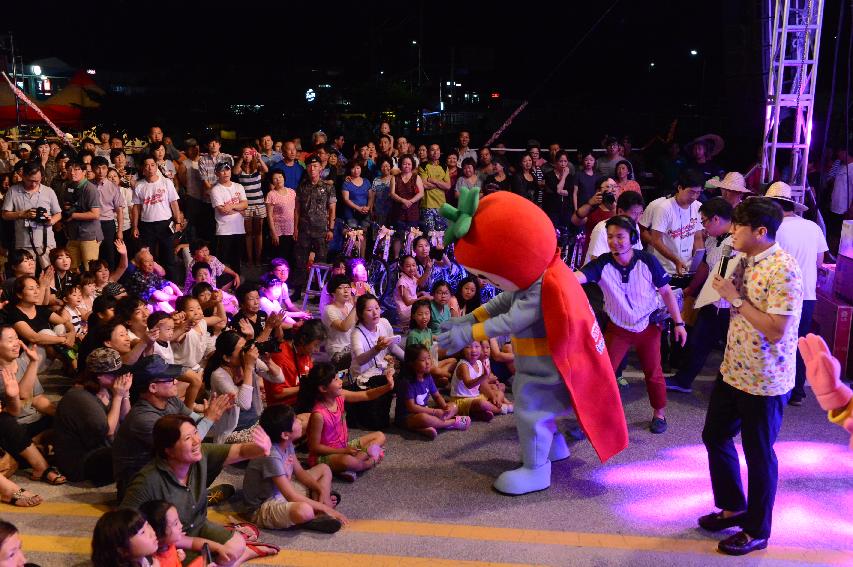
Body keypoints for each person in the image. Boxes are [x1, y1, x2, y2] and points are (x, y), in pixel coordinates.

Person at [700, 197, 802, 556]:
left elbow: (776, 329)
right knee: (714, 436)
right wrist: (723, 284)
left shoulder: (784, 269)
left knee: (758, 453)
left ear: (761, 231)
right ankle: (733, 506)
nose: (731, 231)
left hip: (766, 378)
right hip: (733, 369)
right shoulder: (739, 256)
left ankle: (757, 529)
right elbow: (719, 295)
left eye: (738, 227)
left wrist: (736, 298)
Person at [575, 216, 687, 433]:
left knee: (653, 373)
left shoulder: (647, 260)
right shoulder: (602, 263)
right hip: (618, 328)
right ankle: (589, 420)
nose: (614, 241)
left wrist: (679, 323)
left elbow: (666, 292)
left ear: (633, 237)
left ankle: (659, 414)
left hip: (648, 326)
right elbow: (577, 278)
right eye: (610, 237)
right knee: (603, 373)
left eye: (620, 236)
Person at [120, 415, 281, 563]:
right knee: (218, 557)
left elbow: (239, 450)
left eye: (196, 433)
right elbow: (122, 526)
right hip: (167, 542)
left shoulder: (202, 453)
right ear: (168, 450)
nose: (197, 441)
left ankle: (241, 553)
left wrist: (261, 448)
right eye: (188, 438)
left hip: (199, 526)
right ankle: (247, 554)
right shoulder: (147, 481)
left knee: (236, 546)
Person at [112, 355, 232, 500]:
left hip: (161, 470)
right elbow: (185, 444)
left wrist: (211, 414)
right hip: (137, 488)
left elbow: (194, 422)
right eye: (169, 379)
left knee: (214, 456)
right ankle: (191, 500)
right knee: (196, 453)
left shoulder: (170, 401)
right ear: (153, 387)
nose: (176, 381)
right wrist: (209, 419)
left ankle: (191, 497)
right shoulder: (144, 418)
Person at [766, 182, 828, 406]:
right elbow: (819, 261)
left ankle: (776, 389)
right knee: (799, 342)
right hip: (808, 295)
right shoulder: (813, 227)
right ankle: (797, 391)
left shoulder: (774, 229)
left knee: (777, 341)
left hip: (780, 296)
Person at [242, 404, 347, 533]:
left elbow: (301, 473)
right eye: (296, 420)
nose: (300, 421)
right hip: (262, 507)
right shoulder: (271, 455)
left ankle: (319, 508)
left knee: (324, 469)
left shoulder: (287, 443)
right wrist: (327, 508)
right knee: (304, 510)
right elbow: (291, 495)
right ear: (285, 435)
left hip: (281, 492)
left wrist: (321, 491)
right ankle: (313, 514)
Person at [667, 198, 735, 393]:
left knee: (730, 348)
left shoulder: (734, 241)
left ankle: (732, 388)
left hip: (728, 306)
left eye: (704, 220)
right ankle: (683, 380)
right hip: (711, 301)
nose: (702, 225)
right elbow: (705, 266)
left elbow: (723, 273)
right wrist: (692, 290)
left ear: (715, 219)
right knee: (699, 340)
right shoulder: (713, 239)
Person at [299, 362, 390, 482]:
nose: (340, 381)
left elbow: (367, 394)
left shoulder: (340, 396)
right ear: (323, 388)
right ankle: (367, 462)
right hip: (322, 457)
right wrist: (342, 452)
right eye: (336, 379)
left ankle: (351, 466)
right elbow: (314, 447)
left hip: (343, 447)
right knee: (347, 460)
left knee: (380, 436)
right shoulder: (319, 415)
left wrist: (387, 387)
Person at [53, 348, 132, 485]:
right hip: (82, 461)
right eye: (114, 374)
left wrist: (125, 395)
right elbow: (108, 431)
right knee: (130, 453)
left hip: (104, 449)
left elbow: (127, 419)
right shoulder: (80, 397)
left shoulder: (108, 388)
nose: (119, 377)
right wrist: (118, 396)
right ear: (99, 376)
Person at [204, 330, 283, 443]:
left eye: (246, 346)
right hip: (233, 432)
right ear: (227, 357)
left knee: (290, 426)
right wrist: (249, 368)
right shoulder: (218, 375)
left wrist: (268, 361)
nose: (246, 352)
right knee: (273, 440)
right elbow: (244, 404)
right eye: (242, 350)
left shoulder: (247, 362)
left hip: (255, 422)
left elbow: (279, 379)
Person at [395, 344, 469, 438]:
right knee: (424, 418)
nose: (428, 362)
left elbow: (437, 396)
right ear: (411, 363)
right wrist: (434, 412)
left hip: (426, 411)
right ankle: (452, 423)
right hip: (407, 417)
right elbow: (412, 408)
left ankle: (428, 426)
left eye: (429, 358)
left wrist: (445, 407)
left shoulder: (427, 376)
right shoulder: (407, 382)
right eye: (423, 360)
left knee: (454, 406)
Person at [642, 169, 705, 278]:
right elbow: (656, 240)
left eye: (698, 192)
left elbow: (698, 238)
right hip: (666, 269)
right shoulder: (664, 208)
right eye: (691, 192)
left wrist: (697, 263)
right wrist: (676, 261)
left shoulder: (698, 206)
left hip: (688, 269)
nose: (694, 197)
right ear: (680, 188)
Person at [131, 157, 184, 281]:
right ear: (143, 169)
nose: (150, 168)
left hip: (165, 224)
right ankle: (151, 284)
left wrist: (178, 221)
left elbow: (174, 203)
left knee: (169, 257)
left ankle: (172, 285)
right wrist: (135, 226)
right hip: (147, 225)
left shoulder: (166, 182)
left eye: (153, 165)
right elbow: (136, 208)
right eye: (147, 165)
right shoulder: (139, 185)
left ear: (156, 167)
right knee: (149, 258)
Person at [1, 161, 62, 268]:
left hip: (46, 242)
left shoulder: (48, 191)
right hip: (23, 241)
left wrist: (50, 221)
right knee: (26, 276)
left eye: (37, 181)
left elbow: (58, 213)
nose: (33, 184)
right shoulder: (13, 191)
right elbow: (5, 215)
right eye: (30, 181)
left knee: (49, 272)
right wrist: (22, 214)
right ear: (23, 176)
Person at [291, 156, 337, 295]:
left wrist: (331, 228)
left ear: (320, 168)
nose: (312, 169)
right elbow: (297, 209)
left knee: (321, 261)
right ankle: (298, 289)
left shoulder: (328, 187)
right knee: (300, 259)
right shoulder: (302, 186)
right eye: (310, 166)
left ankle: (320, 292)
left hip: (321, 229)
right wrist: (295, 228)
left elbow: (332, 209)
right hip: (304, 228)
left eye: (315, 166)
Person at [138, 499, 227, 567]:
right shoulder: (157, 562)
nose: (181, 525)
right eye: (175, 523)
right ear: (159, 535)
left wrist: (178, 555)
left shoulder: (168, 544)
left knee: (202, 560)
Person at [58, 158, 104, 271]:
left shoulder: (90, 189)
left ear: (84, 172)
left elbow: (95, 214)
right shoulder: (67, 186)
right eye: (70, 170)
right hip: (73, 234)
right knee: (71, 268)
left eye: (76, 170)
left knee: (90, 268)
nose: (72, 172)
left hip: (89, 235)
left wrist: (73, 215)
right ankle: (76, 288)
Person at [584, 191, 645, 264]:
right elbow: (596, 262)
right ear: (620, 211)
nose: (638, 218)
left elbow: (638, 255)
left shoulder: (634, 226)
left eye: (640, 213)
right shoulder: (602, 229)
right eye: (634, 213)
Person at [232, 145, 268, 267]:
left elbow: (266, 170)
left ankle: (258, 259)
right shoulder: (240, 168)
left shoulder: (257, 167)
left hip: (259, 204)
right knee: (248, 233)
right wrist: (241, 159)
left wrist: (259, 158)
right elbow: (235, 172)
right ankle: (250, 259)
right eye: (245, 153)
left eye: (249, 153)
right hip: (246, 204)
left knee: (258, 232)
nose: (247, 155)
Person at [406, 299, 456, 386]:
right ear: (413, 316)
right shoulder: (413, 335)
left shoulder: (428, 331)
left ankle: (435, 377)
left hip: (430, 364)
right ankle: (449, 377)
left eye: (427, 313)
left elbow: (430, 350)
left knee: (453, 360)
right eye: (420, 314)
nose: (424, 317)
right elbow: (413, 360)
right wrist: (431, 366)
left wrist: (432, 362)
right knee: (443, 378)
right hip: (420, 368)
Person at [450, 340, 503, 420]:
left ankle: (478, 413)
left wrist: (493, 397)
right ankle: (501, 409)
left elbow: (483, 385)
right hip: (461, 400)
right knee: (482, 403)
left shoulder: (479, 362)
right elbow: (469, 384)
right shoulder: (463, 365)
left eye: (477, 346)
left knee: (498, 393)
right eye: (468, 347)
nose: (473, 350)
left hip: (475, 397)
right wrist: (484, 376)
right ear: (462, 349)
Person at [209, 162, 247, 271]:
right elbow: (222, 210)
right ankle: (219, 284)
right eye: (222, 170)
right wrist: (239, 209)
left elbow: (245, 204)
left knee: (237, 260)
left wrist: (231, 206)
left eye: (227, 169)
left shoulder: (238, 186)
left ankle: (236, 283)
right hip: (224, 230)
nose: (226, 173)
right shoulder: (215, 189)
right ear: (217, 173)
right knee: (221, 261)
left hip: (239, 229)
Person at [91, 508, 160, 567]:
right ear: (122, 550)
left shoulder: (144, 559)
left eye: (147, 524)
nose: (152, 532)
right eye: (142, 532)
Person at [91, 156, 125, 270]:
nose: (101, 171)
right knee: (93, 255)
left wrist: (119, 230)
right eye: (98, 168)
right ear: (92, 169)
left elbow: (119, 210)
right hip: (91, 223)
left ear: (107, 169)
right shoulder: (87, 185)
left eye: (104, 168)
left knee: (109, 254)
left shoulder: (113, 187)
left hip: (108, 224)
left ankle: (110, 283)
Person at [321, 275, 357, 370]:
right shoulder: (329, 310)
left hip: (351, 347)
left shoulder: (349, 306)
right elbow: (343, 327)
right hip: (337, 352)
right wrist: (356, 307)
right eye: (341, 288)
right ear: (333, 292)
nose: (346, 291)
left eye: (348, 287)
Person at [265, 171, 297, 265]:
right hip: (278, 231)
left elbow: (296, 211)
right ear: (272, 181)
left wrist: (296, 228)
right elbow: (269, 215)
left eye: (280, 177)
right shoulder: (271, 195)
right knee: (279, 258)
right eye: (275, 178)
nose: (278, 180)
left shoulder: (292, 192)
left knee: (291, 257)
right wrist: (273, 233)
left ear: (284, 178)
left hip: (291, 230)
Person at [419, 144, 451, 232]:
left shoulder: (444, 167)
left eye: (437, 150)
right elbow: (424, 185)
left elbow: (448, 186)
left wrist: (433, 180)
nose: (435, 152)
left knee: (442, 234)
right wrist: (441, 183)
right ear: (428, 153)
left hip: (441, 206)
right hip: (427, 206)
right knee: (429, 235)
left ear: (440, 152)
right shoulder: (423, 166)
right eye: (432, 150)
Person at [390, 155, 423, 232]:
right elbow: (392, 193)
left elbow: (421, 193)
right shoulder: (395, 178)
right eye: (404, 164)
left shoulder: (416, 177)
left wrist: (410, 202)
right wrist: (403, 201)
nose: (407, 166)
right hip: (398, 213)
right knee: (398, 238)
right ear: (400, 165)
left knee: (412, 238)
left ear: (412, 165)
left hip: (413, 213)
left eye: (409, 164)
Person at [340, 161, 373, 231]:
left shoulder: (366, 181)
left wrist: (368, 207)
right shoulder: (346, 183)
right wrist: (358, 208)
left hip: (365, 213)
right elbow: (346, 199)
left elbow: (371, 197)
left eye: (358, 168)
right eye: (353, 168)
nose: (356, 171)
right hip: (351, 215)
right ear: (350, 170)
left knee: (363, 235)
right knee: (352, 236)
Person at [394, 255, 422, 332]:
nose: (412, 268)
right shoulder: (402, 282)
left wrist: (420, 294)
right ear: (402, 268)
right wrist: (422, 298)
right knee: (426, 305)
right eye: (408, 266)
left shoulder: (412, 277)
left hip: (412, 306)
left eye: (414, 265)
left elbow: (422, 283)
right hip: (405, 310)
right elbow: (407, 302)